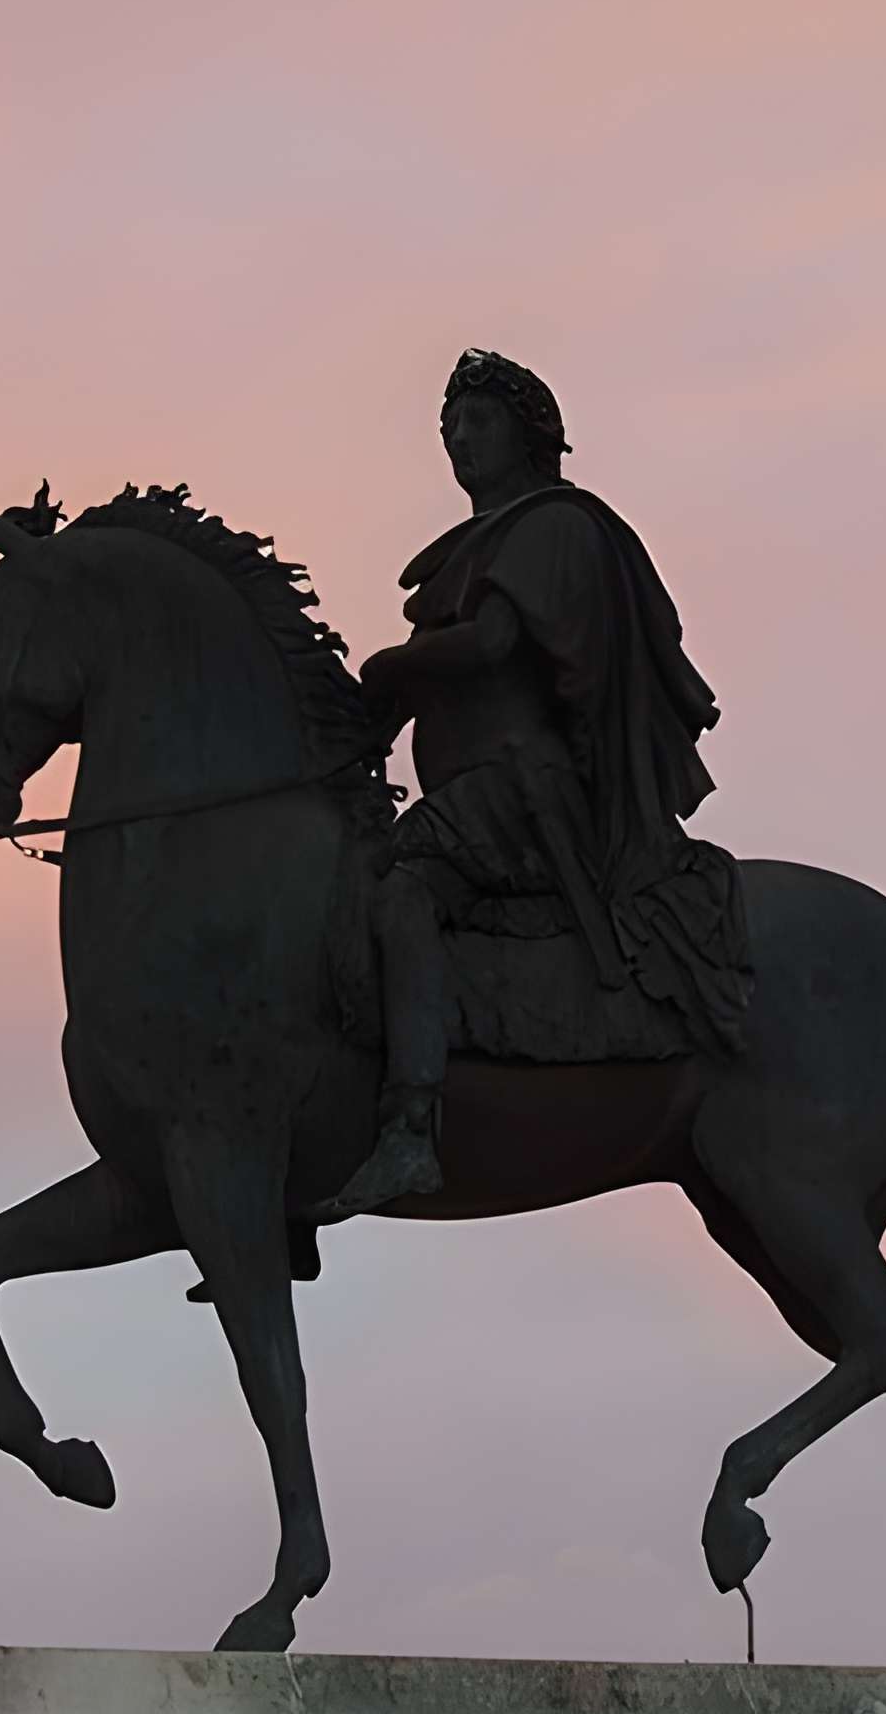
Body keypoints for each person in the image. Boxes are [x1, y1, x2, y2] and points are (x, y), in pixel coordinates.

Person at [315, 350, 749, 1218]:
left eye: (476, 422)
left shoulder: (554, 527)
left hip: (522, 792)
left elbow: (490, 647)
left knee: (401, 898)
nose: (458, 440)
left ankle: (409, 1127)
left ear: (530, 434)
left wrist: (390, 662)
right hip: (476, 790)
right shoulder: (467, 554)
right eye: (448, 427)